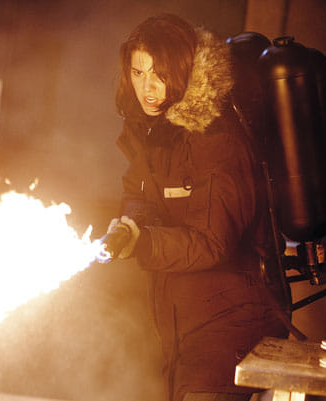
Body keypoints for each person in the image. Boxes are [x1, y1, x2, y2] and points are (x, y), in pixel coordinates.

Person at [101, 14, 290, 401]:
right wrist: (129, 226)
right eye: (138, 72)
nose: (147, 87)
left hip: (232, 321)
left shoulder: (215, 138)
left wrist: (143, 243)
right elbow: (139, 191)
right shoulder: (154, 129)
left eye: (159, 74)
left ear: (183, 70)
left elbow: (211, 242)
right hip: (187, 320)